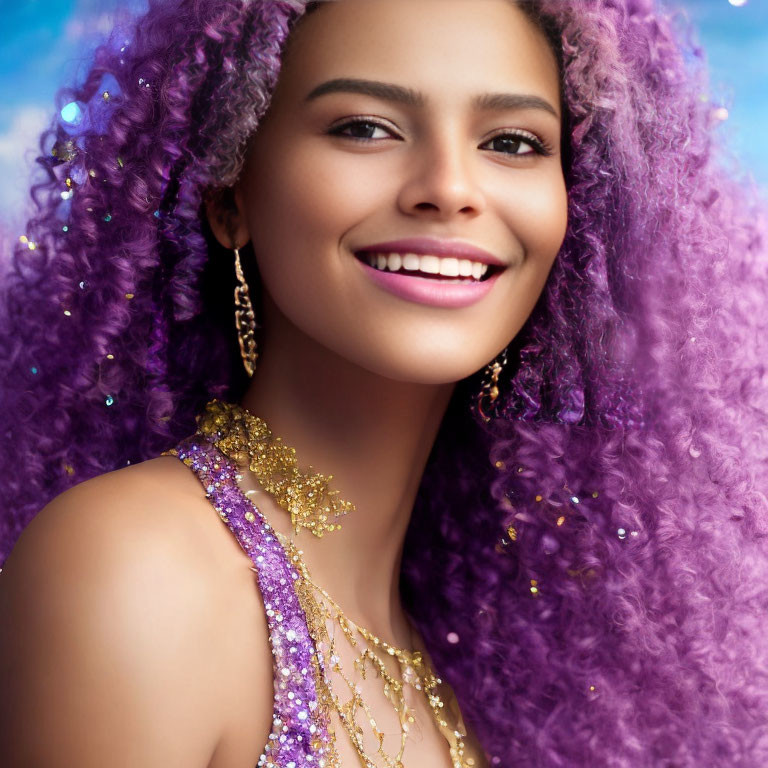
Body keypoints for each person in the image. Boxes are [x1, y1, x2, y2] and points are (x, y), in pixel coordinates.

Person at [1, 0, 767, 764]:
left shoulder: (445, 647)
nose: (449, 188)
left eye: (511, 141)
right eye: (365, 127)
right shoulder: (134, 572)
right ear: (230, 193)